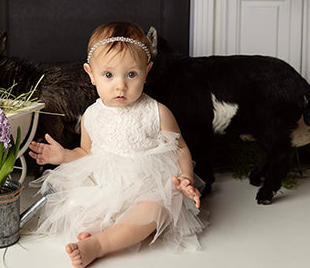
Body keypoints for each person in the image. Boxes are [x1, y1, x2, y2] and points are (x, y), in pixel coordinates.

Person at [28, 21, 206, 268]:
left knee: (156, 209)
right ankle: (98, 231)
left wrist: (185, 177)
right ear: (91, 74)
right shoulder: (92, 115)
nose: (120, 85)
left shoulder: (157, 112)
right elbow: (86, 152)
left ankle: (101, 244)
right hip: (104, 183)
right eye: (108, 75)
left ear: (147, 70)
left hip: (147, 183)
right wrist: (64, 156)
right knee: (74, 203)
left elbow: (180, 148)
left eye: (131, 74)